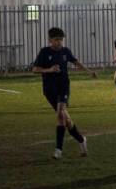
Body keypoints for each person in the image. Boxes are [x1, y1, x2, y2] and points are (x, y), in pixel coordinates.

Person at [32, 27, 97, 159]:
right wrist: (49, 70)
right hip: (49, 90)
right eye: (56, 40)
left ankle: (58, 150)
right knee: (66, 120)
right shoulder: (44, 52)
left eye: (61, 39)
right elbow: (35, 69)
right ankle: (81, 140)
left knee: (61, 114)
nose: (59, 42)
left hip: (63, 87)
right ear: (50, 40)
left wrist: (89, 71)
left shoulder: (65, 51)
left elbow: (76, 62)